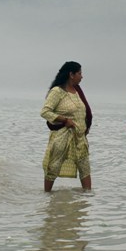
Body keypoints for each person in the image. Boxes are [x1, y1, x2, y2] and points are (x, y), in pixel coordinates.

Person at [40, 61, 92, 191]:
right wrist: (64, 120)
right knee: (53, 167)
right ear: (71, 74)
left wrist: (85, 128)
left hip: (79, 138)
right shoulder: (57, 91)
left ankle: (87, 199)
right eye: (79, 73)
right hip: (62, 137)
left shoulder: (77, 91)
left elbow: (84, 113)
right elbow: (45, 112)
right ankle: (47, 198)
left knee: (85, 168)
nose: (82, 76)